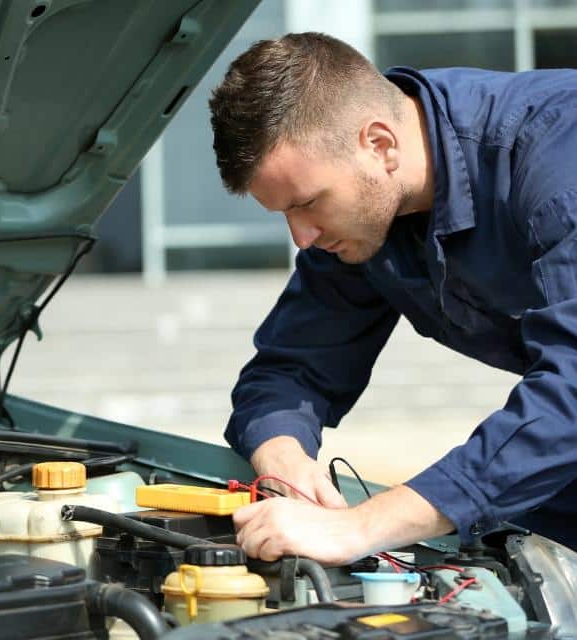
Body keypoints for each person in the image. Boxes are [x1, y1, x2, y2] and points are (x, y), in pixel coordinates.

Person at [208, 32, 577, 564]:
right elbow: (290, 369)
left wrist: (361, 527)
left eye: (309, 203)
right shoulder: (366, 216)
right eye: (285, 213)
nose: (301, 237)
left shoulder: (556, 161)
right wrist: (280, 454)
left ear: (380, 144)